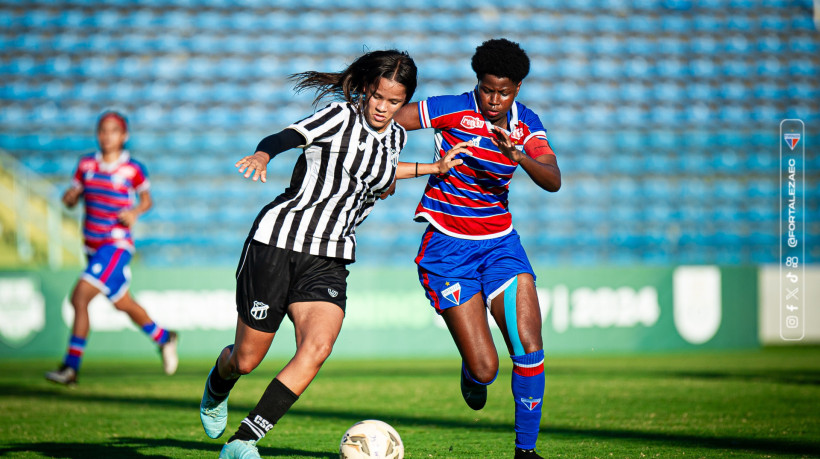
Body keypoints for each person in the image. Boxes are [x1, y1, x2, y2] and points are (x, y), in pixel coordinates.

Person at [199, 50, 461, 459]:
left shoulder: (396, 137)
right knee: (246, 360)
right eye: (377, 97)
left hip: (330, 257)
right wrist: (263, 154)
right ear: (365, 89)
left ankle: (243, 441)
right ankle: (219, 381)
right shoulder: (339, 116)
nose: (383, 107)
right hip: (278, 243)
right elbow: (287, 137)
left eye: (394, 102)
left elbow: (383, 170)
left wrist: (432, 168)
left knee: (318, 347)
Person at [393, 38, 561, 459]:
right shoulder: (451, 108)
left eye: (504, 91)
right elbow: (390, 120)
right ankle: (473, 370)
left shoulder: (527, 125)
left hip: (500, 244)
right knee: (486, 368)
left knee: (528, 343)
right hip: (447, 249)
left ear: (517, 88)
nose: (494, 99)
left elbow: (553, 179)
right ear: (478, 83)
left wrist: (520, 156)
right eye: (487, 89)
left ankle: (525, 452)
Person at [45, 111, 178, 386]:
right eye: (103, 131)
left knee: (79, 298)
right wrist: (69, 197)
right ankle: (165, 338)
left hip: (115, 245)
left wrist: (134, 212)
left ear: (124, 136)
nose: (107, 136)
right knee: (123, 303)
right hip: (92, 247)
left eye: (113, 131)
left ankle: (70, 368)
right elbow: (72, 197)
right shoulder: (85, 165)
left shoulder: (132, 168)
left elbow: (146, 200)